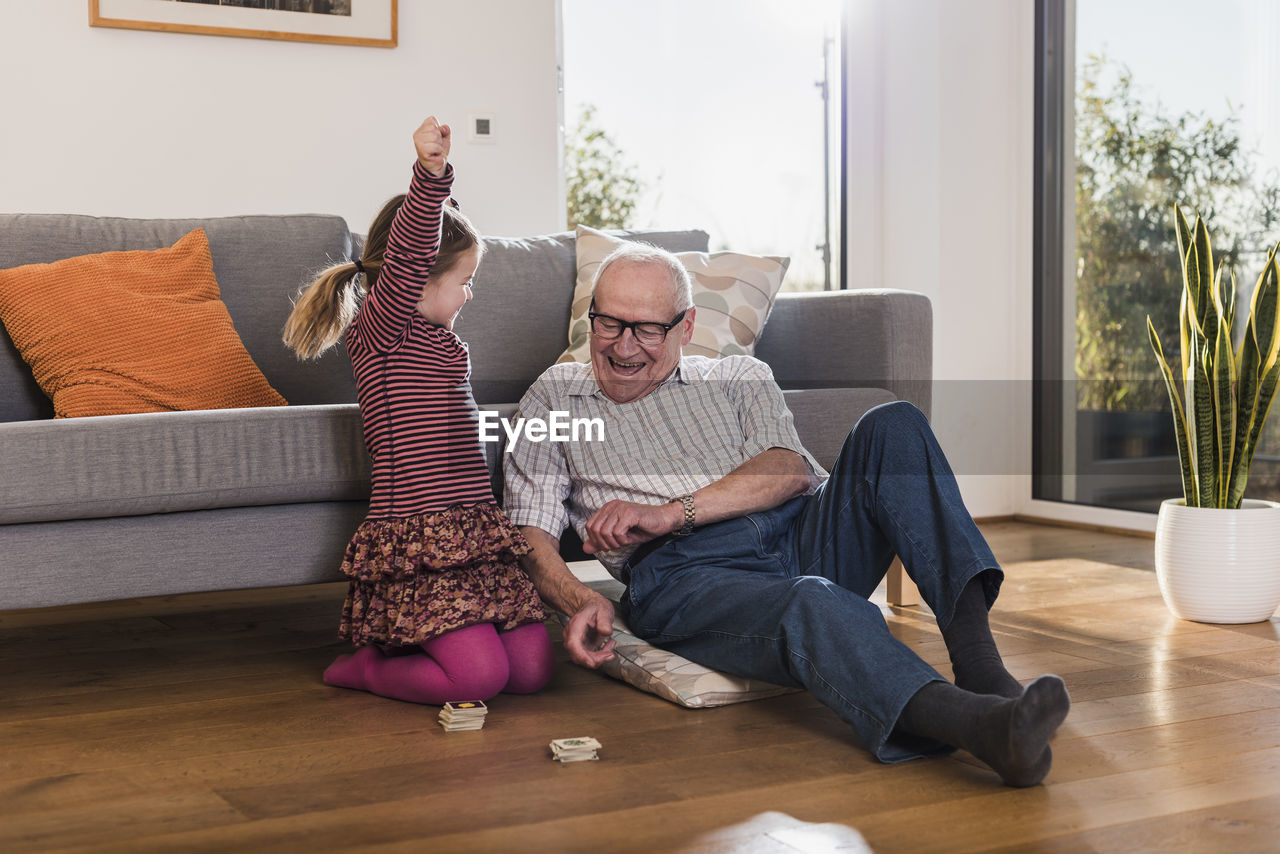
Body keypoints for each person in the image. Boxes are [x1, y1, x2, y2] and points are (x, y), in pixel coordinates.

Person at [503, 243, 1069, 787]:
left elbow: (789, 469)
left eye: (648, 329)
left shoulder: (739, 377)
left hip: (798, 532)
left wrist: (670, 512)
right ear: (592, 319)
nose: (624, 347)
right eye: (609, 324)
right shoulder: (553, 401)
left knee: (895, 423)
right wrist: (582, 599)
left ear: (687, 327)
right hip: (685, 576)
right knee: (813, 597)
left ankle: (979, 665)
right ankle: (983, 728)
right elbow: (530, 531)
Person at [282, 116, 554, 705]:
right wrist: (431, 178)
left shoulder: (441, 341)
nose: (470, 293)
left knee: (531, 673)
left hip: (473, 531)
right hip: (421, 537)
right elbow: (408, 253)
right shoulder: (383, 331)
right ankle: (368, 669)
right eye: (465, 280)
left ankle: (435, 647)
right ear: (415, 281)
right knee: (479, 680)